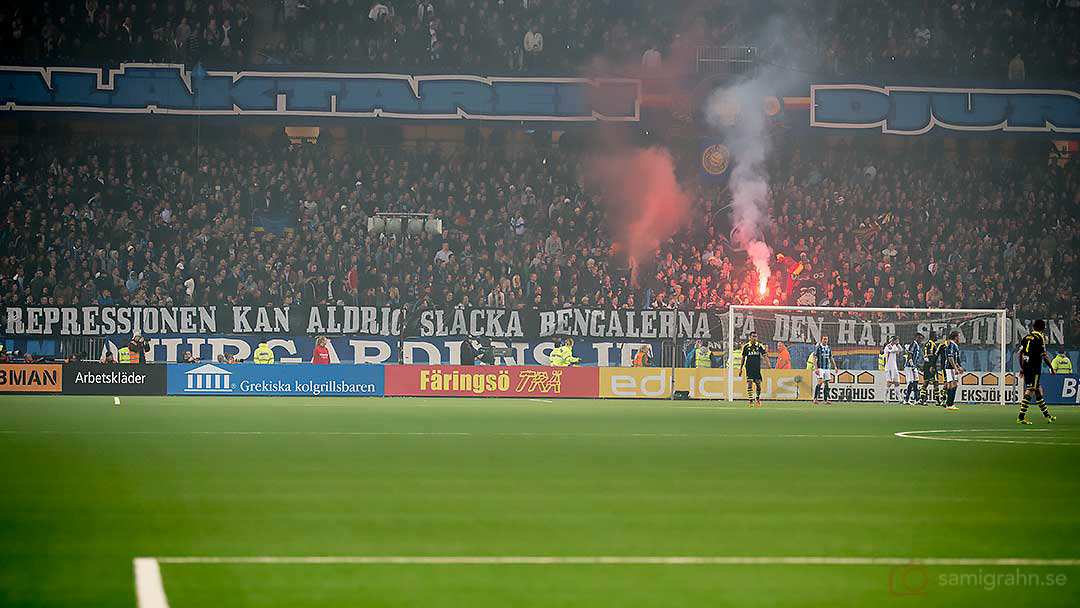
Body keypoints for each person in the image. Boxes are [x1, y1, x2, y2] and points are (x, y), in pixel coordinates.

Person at [1017, 320, 1057, 424]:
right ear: (1043, 328)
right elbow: (1044, 355)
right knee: (1030, 390)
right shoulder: (1040, 338)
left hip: (1026, 367)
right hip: (1034, 368)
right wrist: (1051, 367)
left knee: (1038, 391)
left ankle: (1047, 416)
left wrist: (1022, 367)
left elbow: (1019, 354)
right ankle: (1021, 417)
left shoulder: (1026, 338)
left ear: (1033, 327)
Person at [737, 331, 770, 407]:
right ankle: (751, 401)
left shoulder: (760, 346)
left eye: (756, 337)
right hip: (749, 368)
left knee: (758, 385)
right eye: (753, 336)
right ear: (750, 337)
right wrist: (741, 368)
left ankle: (757, 398)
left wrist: (768, 363)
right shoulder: (746, 347)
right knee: (749, 383)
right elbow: (743, 358)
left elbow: (764, 355)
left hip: (757, 368)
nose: (755, 338)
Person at [941, 331, 963, 410]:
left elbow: (954, 358)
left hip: (951, 367)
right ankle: (950, 404)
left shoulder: (954, 345)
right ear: (956, 337)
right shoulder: (952, 345)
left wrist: (958, 366)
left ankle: (948, 404)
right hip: (950, 368)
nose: (959, 338)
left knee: (951, 385)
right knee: (954, 384)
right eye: (959, 336)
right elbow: (950, 358)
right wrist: (956, 368)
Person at [918, 331, 941, 406]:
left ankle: (922, 399)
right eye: (936, 335)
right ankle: (937, 400)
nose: (937, 337)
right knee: (935, 383)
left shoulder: (927, 343)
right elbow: (931, 356)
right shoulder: (931, 344)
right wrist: (932, 366)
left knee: (926, 382)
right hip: (930, 365)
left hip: (927, 365)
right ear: (933, 336)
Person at [812, 336, 835, 404]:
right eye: (824, 339)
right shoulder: (818, 348)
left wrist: (835, 367)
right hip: (820, 368)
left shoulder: (828, 348)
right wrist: (816, 368)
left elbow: (831, 358)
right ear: (822, 340)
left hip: (827, 368)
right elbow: (815, 358)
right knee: (820, 382)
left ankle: (825, 400)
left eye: (826, 339)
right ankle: (815, 399)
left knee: (826, 384)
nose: (825, 340)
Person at [902, 333, 924, 405]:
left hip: (914, 366)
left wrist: (917, 365)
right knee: (911, 382)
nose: (921, 340)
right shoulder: (913, 344)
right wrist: (912, 364)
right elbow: (910, 354)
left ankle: (916, 399)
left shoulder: (917, 346)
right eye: (920, 338)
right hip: (909, 366)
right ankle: (906, 400)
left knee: (915, 382)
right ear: (916, 338)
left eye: (921, 339)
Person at [883, 336, 903, 404]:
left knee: (897, 383)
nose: (898, 341)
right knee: (889, 383)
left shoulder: (895, 345)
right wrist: (895, 344)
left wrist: (897, 344)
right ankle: (885, 399)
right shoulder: (888, 346)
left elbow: (900, 350)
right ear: (893, 340)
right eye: (897, 340)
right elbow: (893, 350)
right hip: (889, 367)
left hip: (894, 367)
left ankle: (900, 399)